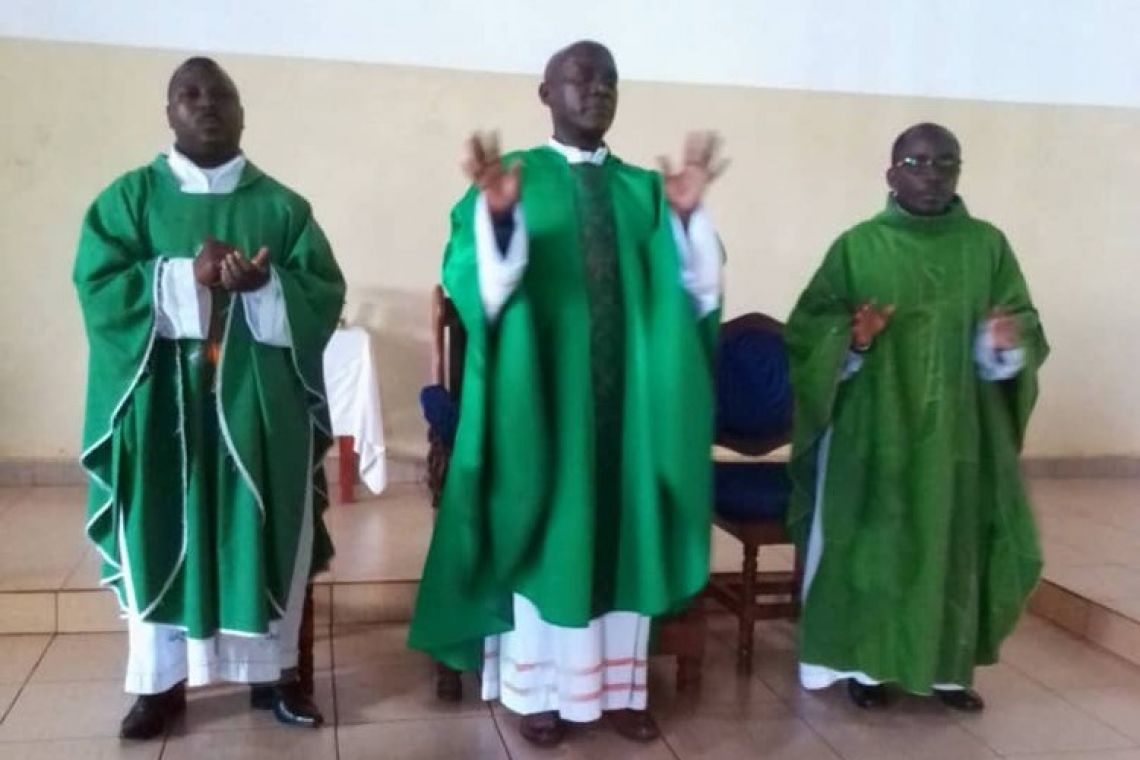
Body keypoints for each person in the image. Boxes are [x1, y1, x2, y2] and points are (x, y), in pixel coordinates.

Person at [408, 40, 725, 747]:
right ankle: (540, 693)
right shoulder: (514, 178)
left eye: (609, 79)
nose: (596, 90)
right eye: (579, 78)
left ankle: (619, 689)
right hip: (542, 406)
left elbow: (695, 295)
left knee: (624, 527)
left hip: (630, 414)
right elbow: (479, 285)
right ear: (545, 92)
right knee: (547, 526)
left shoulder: (646, 189)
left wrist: (686, 223)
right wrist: (497, 222)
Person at [72, 57, 345, 740]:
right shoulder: (128, 200)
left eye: (220, 94)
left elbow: (323, 294)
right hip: (162, 406)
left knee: (265, 528)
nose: (206, 104)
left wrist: (267, 287)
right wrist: (180, 276)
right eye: (188, 94)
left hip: (259, 411)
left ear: (243, 112)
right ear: (168, 112)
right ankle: (159, 687)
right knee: (162, 527)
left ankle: (275, 677)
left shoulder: (283, 208)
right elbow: (99, 291)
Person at [785, 122, 1048, 711]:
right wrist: (850, 339)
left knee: (952, 546)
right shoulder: (858, 245)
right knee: (876, 546)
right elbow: (808, 329)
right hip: (873, 430)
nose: (931, 174)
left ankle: (949, 672)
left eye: (945, 163)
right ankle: (867, 666)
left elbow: (1022, 321)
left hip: (959, 430)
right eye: (917, 161)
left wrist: (1004, 341)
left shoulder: (988, 246)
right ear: (891, 173)